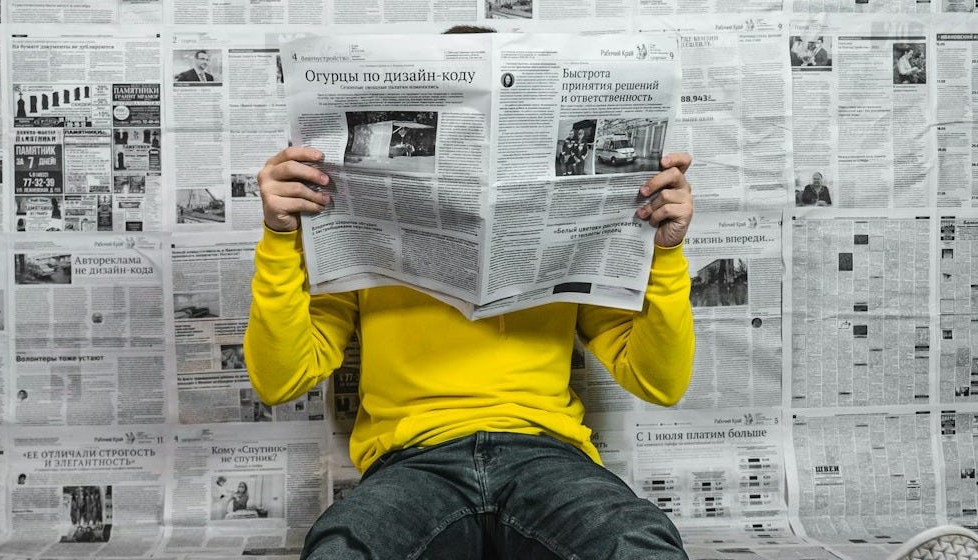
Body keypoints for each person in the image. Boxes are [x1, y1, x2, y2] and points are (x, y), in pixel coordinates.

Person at [245, 26, 695, 559]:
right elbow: (280, 380)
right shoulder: (357, 227)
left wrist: (665, 252)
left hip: (549, 460)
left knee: (639, 547)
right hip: (412, 466)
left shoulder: (571, 229)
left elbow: (659, 382)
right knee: (342, 551)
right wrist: (279, 237)